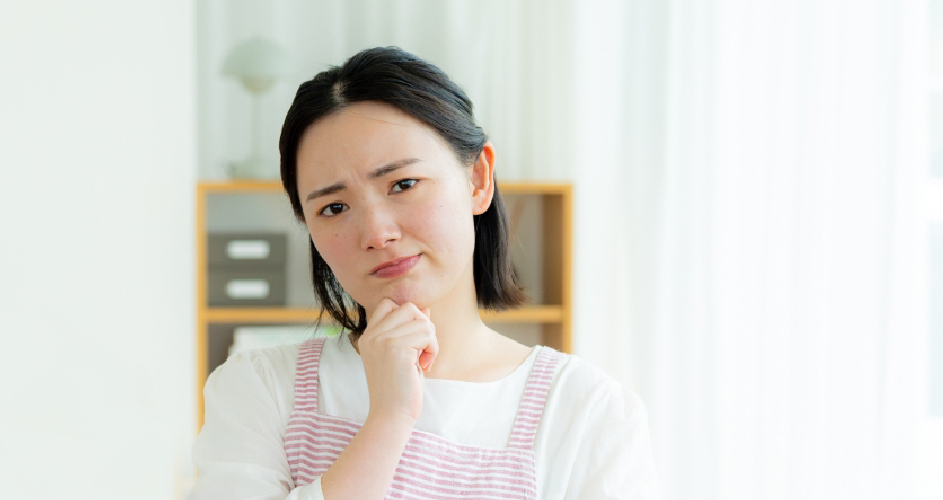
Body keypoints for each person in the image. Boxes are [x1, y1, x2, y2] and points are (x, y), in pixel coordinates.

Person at [189, 46, 659, 500]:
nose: (376, 233)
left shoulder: (586, 414)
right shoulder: (262, 389)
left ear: (478, 179)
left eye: (404, 184)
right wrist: (388, 420)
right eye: (334, 207)